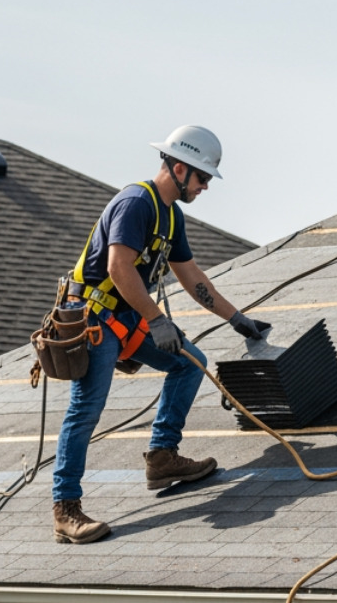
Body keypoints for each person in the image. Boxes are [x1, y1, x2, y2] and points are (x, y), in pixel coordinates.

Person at [51, 125, 270, 544]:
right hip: (94, 320)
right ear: (179, 167)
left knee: (190, 364)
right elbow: (119, 267)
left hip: (128, 318)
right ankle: (65, 509)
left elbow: (190, 276)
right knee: (86, 411)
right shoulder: (137, 203)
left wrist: (237, 318)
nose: (206, 186)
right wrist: (156, 319)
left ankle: (162, 458)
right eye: (203, 177)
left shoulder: (172, 216)